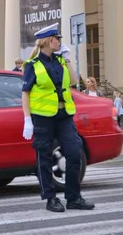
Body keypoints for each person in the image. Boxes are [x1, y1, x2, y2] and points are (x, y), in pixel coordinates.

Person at [22, 23, 94, 213]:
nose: (60, 42)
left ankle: (73, 197)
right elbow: (25, 93)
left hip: (64, 115)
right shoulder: (32, 65)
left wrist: (68, 60)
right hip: (43, 118)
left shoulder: (61, 61)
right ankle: (50, 198)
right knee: (44, 156)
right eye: (57, 39)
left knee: (74, 152)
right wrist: (27, 119)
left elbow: (72, 81)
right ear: (48, 41)